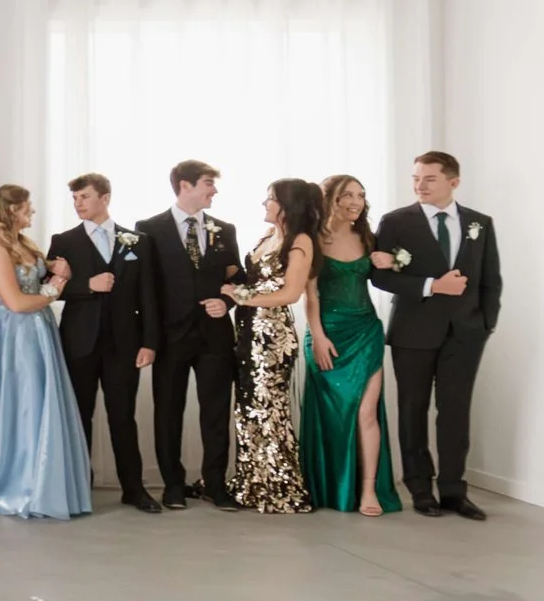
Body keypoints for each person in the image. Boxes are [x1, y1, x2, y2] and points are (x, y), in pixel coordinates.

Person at [371, 151, 503, 521]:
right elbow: (380, 276)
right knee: (412, 410)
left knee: (455, 413)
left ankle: (454, 491)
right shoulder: (396, 221)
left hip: (465, 334)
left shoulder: (480, 223)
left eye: (429, 178)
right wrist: (432, 285)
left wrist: (485, 324)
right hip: (413, 332)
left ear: (453, 182)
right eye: (416, 178)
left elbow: (490, 279)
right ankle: (419, 489)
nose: (419, 185)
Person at [0, 186, 91, 520]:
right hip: (17, 334)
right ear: (13, 210)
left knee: (42, 403)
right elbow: (16, 302)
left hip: (41, 331)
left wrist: (56, 271)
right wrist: (56, 288)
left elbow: (38, 284)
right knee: (22, 404)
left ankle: (45, 481)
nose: (33, 212)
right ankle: (20, 483)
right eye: (28, 207)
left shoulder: (24, 243)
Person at [135, 160, 246, 511]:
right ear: (185, 185)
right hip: (170, 337)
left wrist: (226, 301)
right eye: (208, 183)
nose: (214, 190)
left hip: (215, 336)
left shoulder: (224, 229)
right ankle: (173, 485)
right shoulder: (148, 229)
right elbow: (145, 289)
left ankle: (215, 485)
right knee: (168, 413)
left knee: (216, 413)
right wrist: (149, 340)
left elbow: (238, 279)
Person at [48, 173, 159, 512]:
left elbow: (149, 294)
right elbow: (49, 289)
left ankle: (134, 489)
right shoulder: (63, 241)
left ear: (105, 198)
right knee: (79, 416)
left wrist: (149, 342)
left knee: (123, 416)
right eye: (75, 198)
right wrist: (87, 285)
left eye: (84, 196)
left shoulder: (138, 241)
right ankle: (79, 486)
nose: (78, 203)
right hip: (78, 342)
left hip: (124, 344)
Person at [303, 174, 403, 517]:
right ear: (330, 198)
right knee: (334, 414)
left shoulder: (368, 237)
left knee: (366, 412)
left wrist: (394, 262)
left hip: (365, 332)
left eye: (360, 195)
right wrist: (317, 336)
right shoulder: (312, 238)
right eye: (347, 195)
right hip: (327, 335)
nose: (356, 202)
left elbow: (391, 273)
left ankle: (368, 490)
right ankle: (332, 486)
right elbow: (310, 295)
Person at [222, 180, 321, 514]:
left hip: (271, 337)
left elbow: (291, 293)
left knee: (269, 407)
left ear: (287, 205)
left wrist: (242, 297)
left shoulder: (301, 241)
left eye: (270, 199)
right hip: (247, 331)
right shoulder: (268, 236)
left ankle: (279, 486)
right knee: (247, 408)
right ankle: (252, 482)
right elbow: (253, 278)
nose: (264, 203)